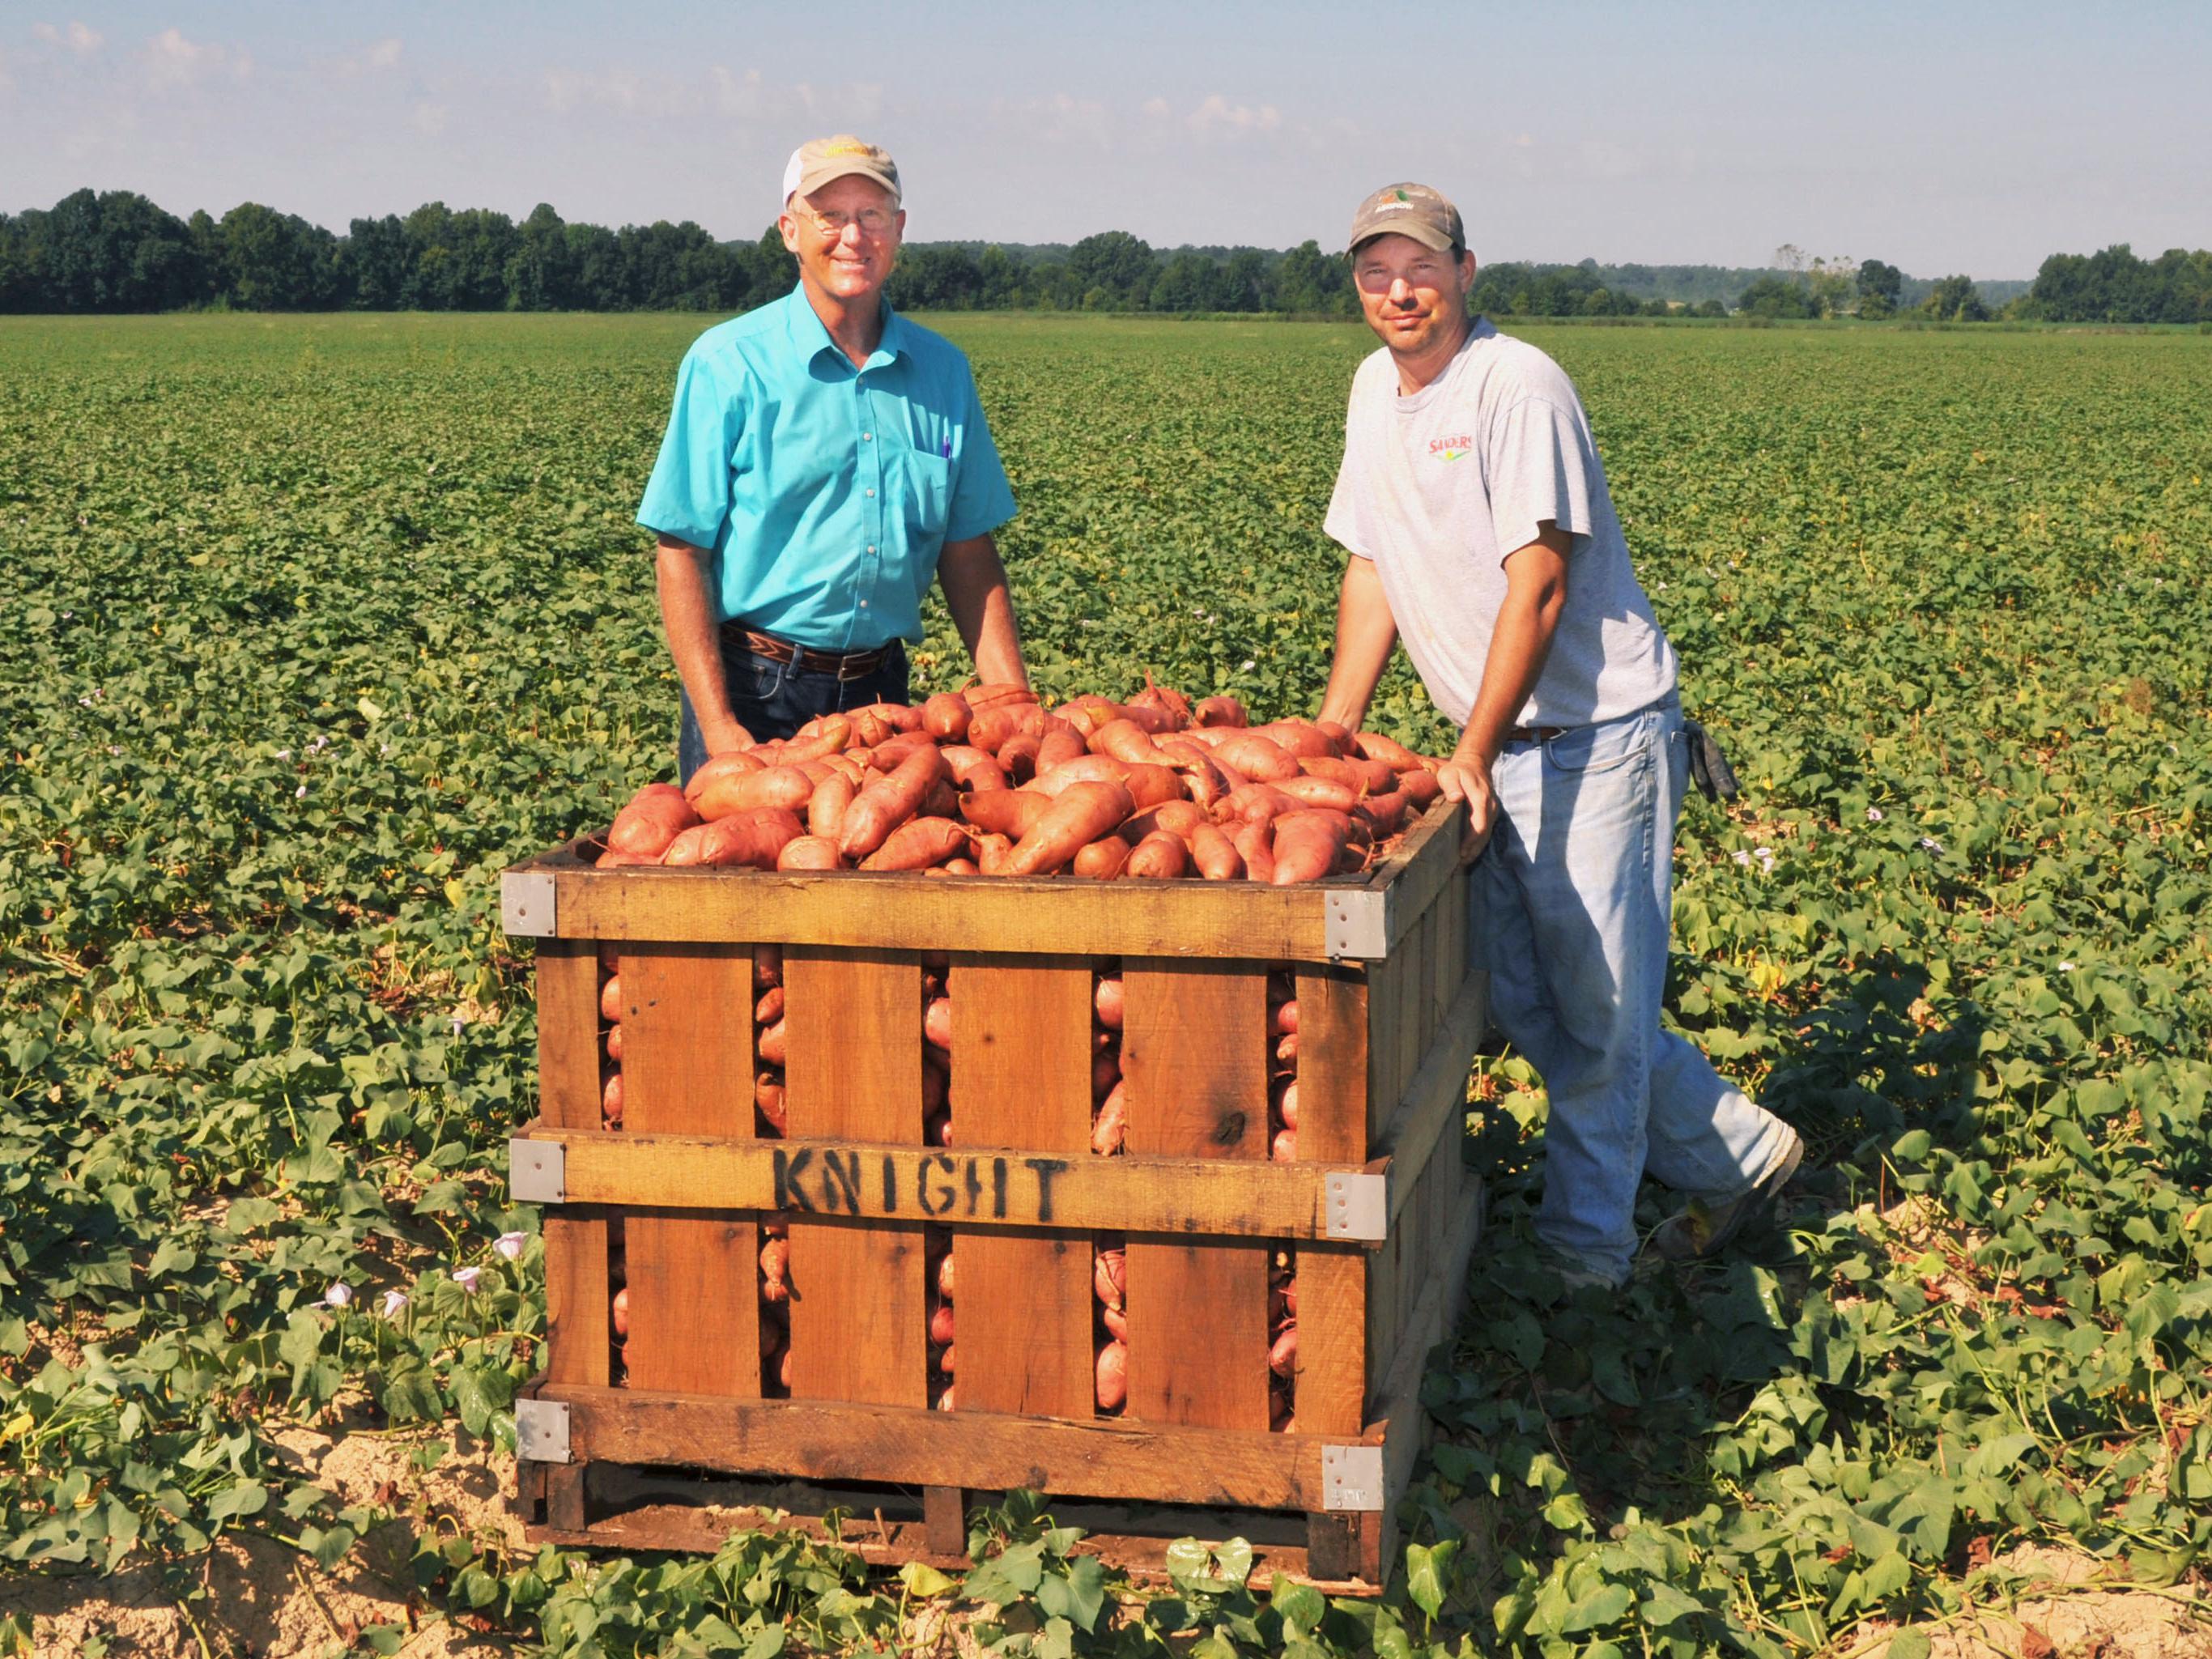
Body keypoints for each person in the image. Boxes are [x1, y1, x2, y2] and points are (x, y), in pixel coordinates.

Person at [1315, 182, 1802, 1289]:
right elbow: (1372, 567)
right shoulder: (1371, 393)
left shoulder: (1515, 385)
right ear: (1357, 285)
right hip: (1499, 746)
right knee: (1518, 994)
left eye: (1421, 265)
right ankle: (1744, 1153)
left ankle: (1586, 1260)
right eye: (1376, 270)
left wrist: (1473, 751)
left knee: (1600, 1005)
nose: (1400, 289)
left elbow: (1536, 587)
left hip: (1594, 736)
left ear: (1466, 270)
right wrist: (1330, 734)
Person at [636, 134, 1031, 781]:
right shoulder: (728, 364)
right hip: (756, 691)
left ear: (899, 230)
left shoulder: (943, 373)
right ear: (790, 230)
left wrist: (1016, 703)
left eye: (872, 214)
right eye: (830, 215)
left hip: (884, 698)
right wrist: (720, 727)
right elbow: (681, 552)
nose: (854, 236)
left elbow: (968, 550)